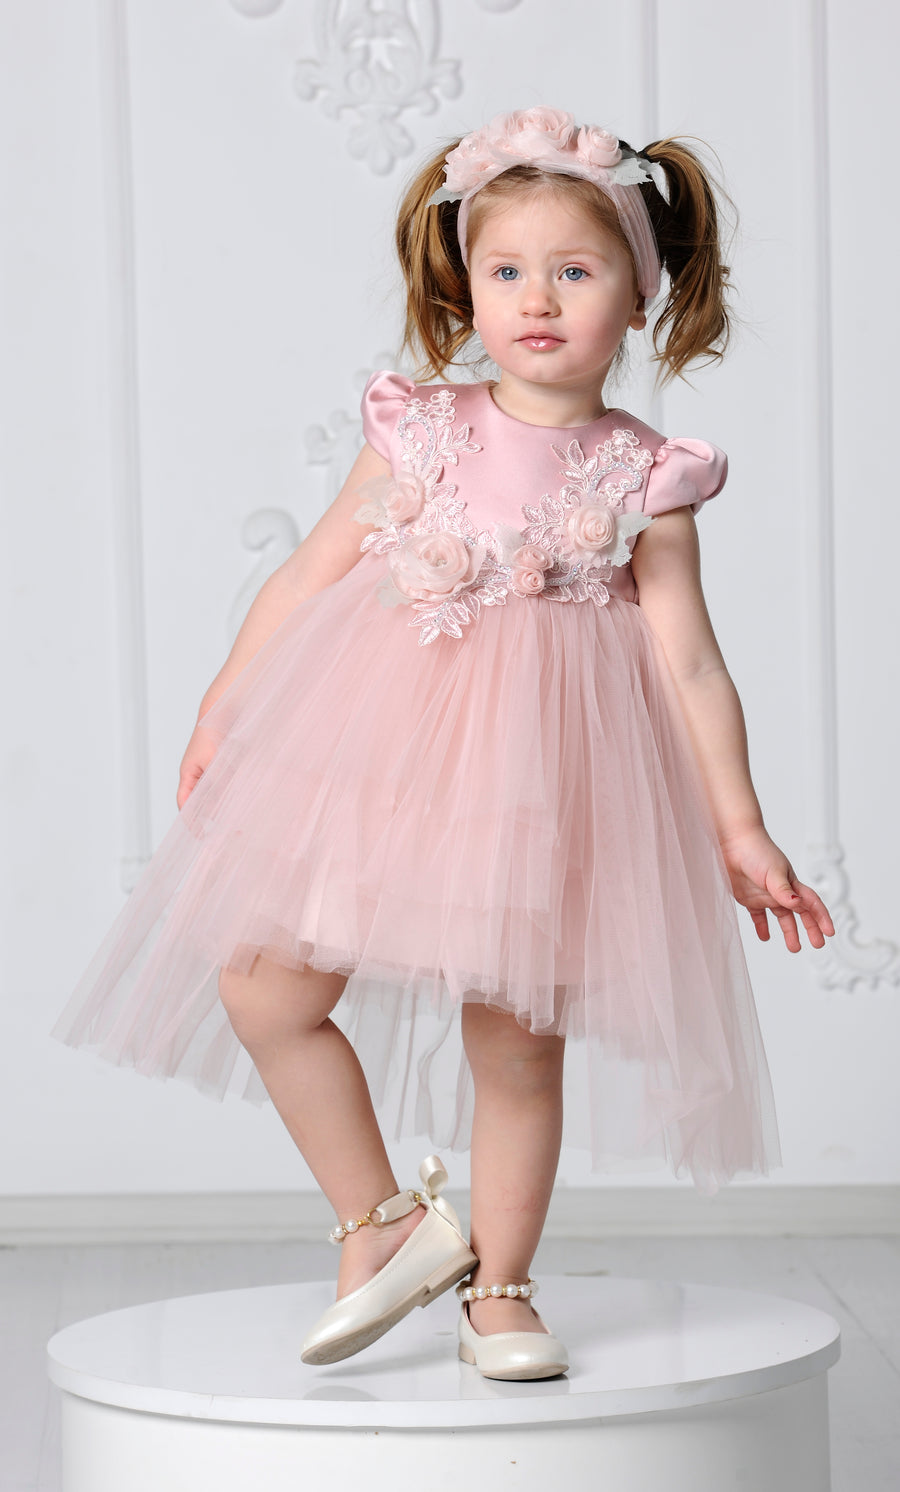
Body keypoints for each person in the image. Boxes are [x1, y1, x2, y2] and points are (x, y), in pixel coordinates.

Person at [51, 106, 834, 1382]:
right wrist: (223, 704)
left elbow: (692, 662)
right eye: (506, 268)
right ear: (466, 283)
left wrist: (740, 829)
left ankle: (502, 1287)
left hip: (542, 784)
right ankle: (383, 1222)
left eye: (575, 270)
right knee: (264, 984)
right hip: (385, 766)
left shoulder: (647, 473)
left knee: (516, 1036)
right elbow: (310, 572)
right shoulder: (420, 425)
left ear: (641, 292)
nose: (538, 299)